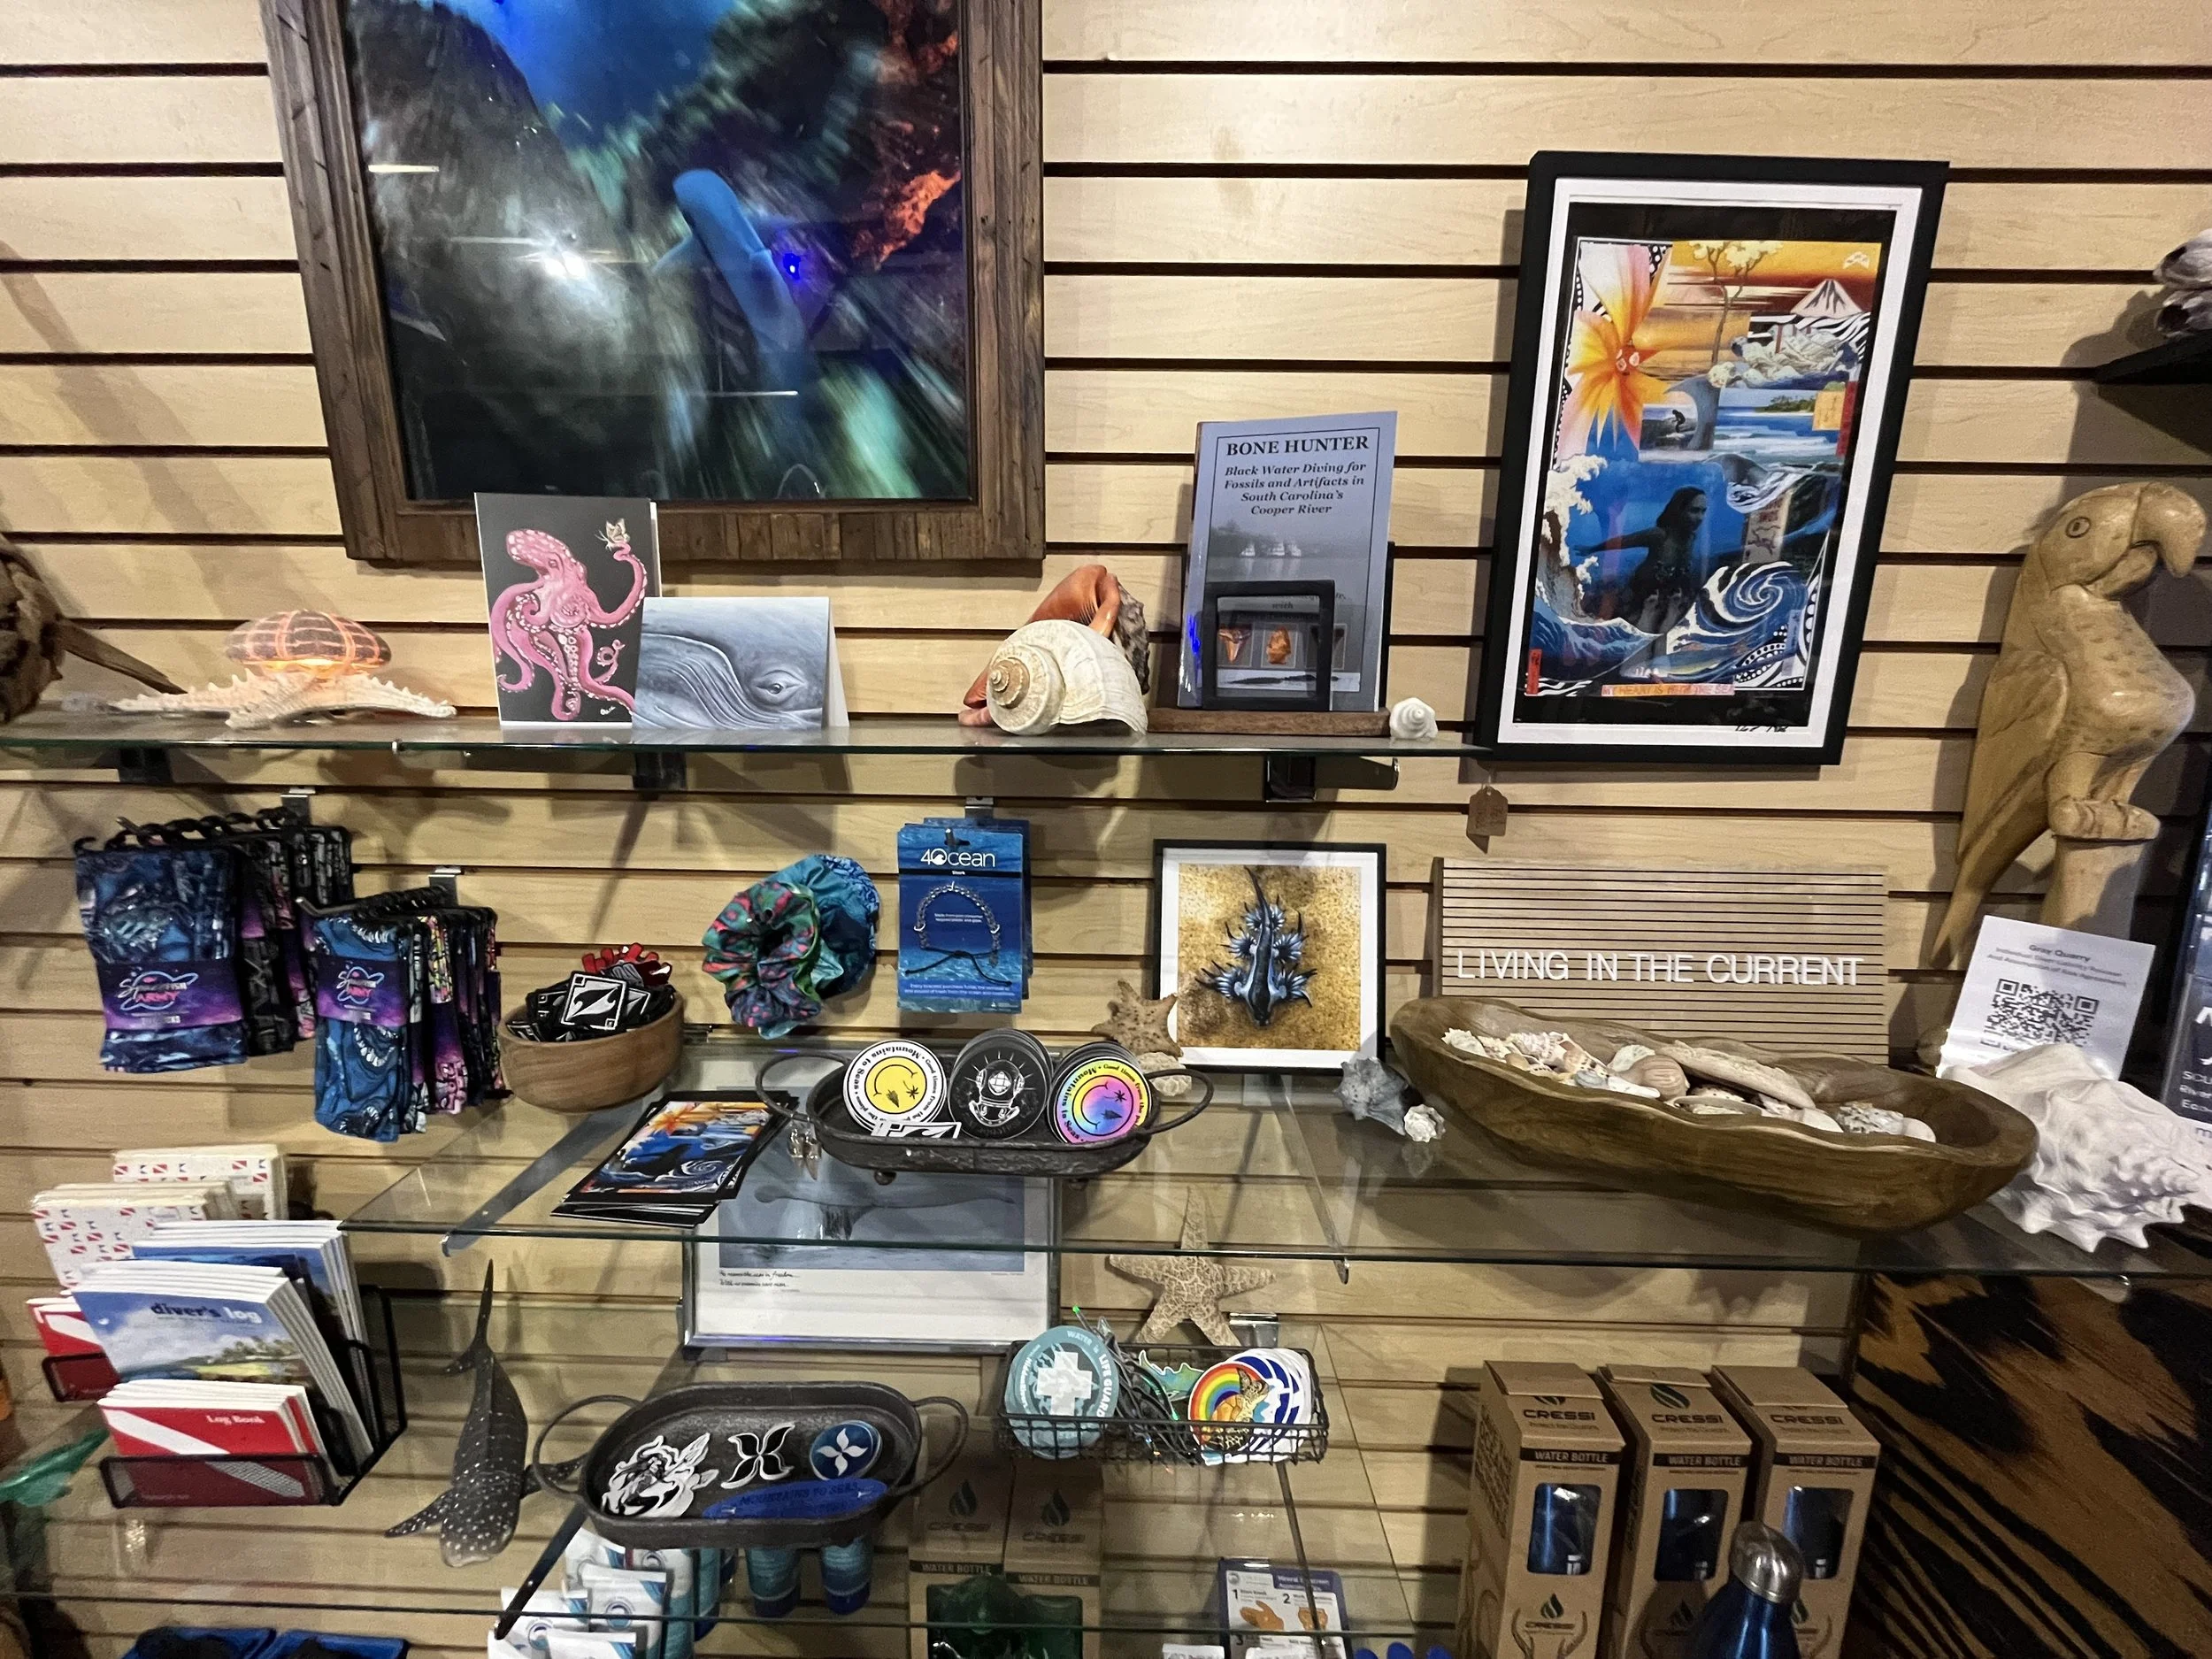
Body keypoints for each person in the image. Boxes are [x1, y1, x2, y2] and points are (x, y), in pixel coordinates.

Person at [1580, 488, 1708, 634]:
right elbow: (1624, 541)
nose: (1700, 517)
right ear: (1680, 510)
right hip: (1641, 598)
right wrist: (1592, 549)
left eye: (1703, 511)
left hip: (1668, 601)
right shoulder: (1660, 535)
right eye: (1694, 510)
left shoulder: (1691, 539)